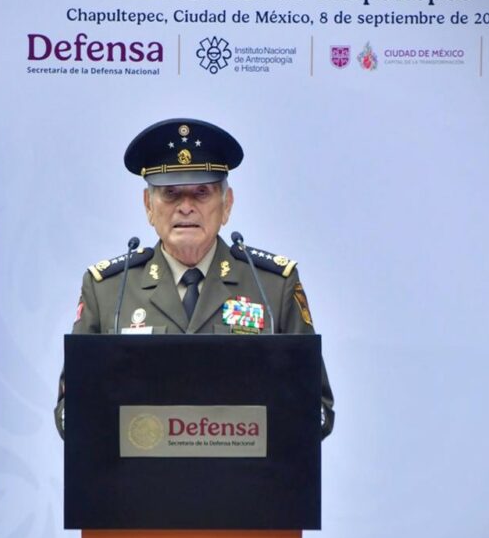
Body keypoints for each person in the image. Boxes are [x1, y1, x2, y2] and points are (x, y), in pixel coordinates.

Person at [54, 118, 334, 439]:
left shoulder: (271, 286)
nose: (185, 208)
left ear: (226, 205)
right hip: (139, 484)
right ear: (148, 206)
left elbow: (318, 410)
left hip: (247, 484)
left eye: (202, 193)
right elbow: (69, 412)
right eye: (170, 194)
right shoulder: (108, 291)